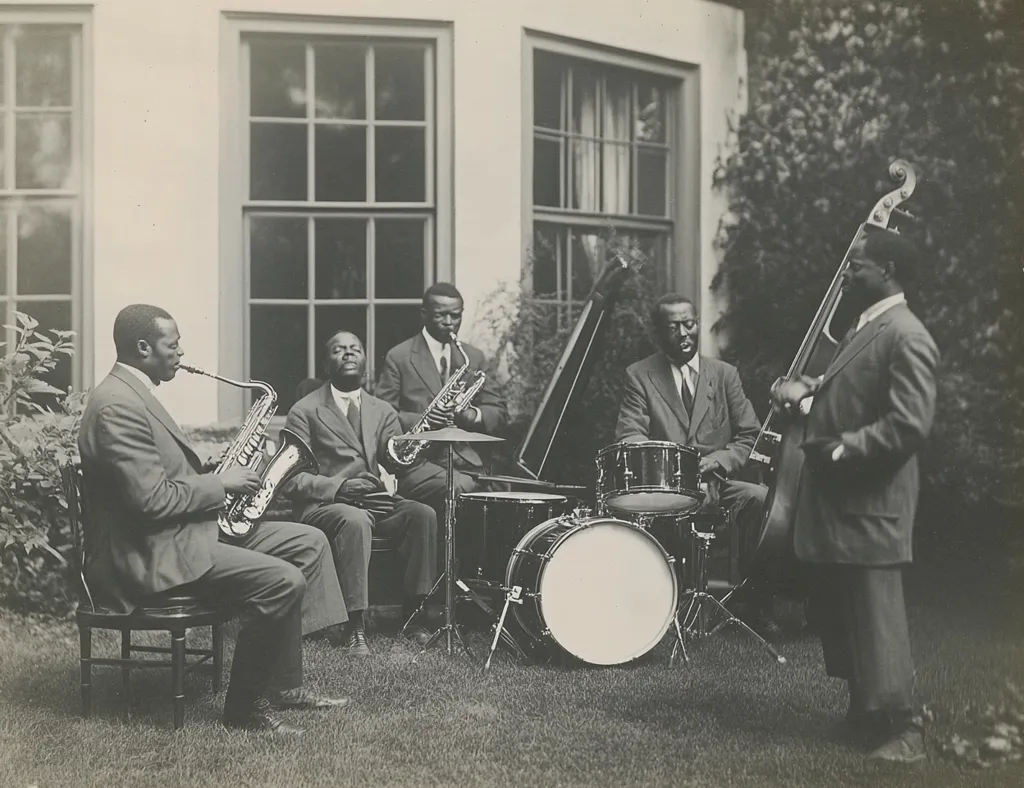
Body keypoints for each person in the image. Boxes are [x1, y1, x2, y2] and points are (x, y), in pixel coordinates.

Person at [77, 304, 349, 736]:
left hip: (176, 535)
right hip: (148, 554)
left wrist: (212, 471)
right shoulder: (116, 406)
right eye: (174, 344)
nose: (181, 353)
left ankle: (285, 688)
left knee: (308, 542)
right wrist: (221, 484)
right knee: (282, 580)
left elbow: (159, 478)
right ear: (143, 347)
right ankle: (245, 711)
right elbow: (149, 502)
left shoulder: (133, 394)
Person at [770, 228, 938, 763]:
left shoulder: (906, 334)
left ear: (886, 270)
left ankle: (907, 730)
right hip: (843, 502)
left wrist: (843, 449)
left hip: (870, 499)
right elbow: (849, 389)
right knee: (843, 610)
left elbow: (909, 424)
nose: (846, 274)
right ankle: (865, 715)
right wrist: (806, 391)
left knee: (876, 613)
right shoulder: (868, 326)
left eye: (856, 266)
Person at [614, 294, 772, 620]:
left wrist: (719, 462)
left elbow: (749, 434)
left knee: (759, 498)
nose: (684, 334)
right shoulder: (640, 375)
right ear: (658, 333)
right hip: (668, 486)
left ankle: (752, 600)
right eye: (674, 328)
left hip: (719, 478)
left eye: (690, 324)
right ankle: (667, 600)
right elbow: (630, 435)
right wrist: (672, 473)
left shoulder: (725, 374)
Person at [284, 330, 438, 655]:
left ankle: (414, 615)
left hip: (372, 500)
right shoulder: (305, 411)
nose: (348, 354)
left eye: (355, 349)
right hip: (326, 505)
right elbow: (291, 479)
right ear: (326, 363)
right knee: (354, 521)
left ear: (366, 362)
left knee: (422, 515)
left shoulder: (382, 410)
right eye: (338, 350)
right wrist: (339, 486)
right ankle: (355, 626)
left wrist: (411, 445)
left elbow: (394, 460)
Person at [376, 282, 509, 523]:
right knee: (462, 489)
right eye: (441, 315)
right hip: (418, 463)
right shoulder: (400, 356)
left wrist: (474, 415)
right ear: (424, 314)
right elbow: (381, 415)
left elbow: (498, 411)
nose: (449, 322)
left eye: (455, 316)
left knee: (502, 495)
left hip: (467, 461)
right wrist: (423, 420)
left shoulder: (473, 357)